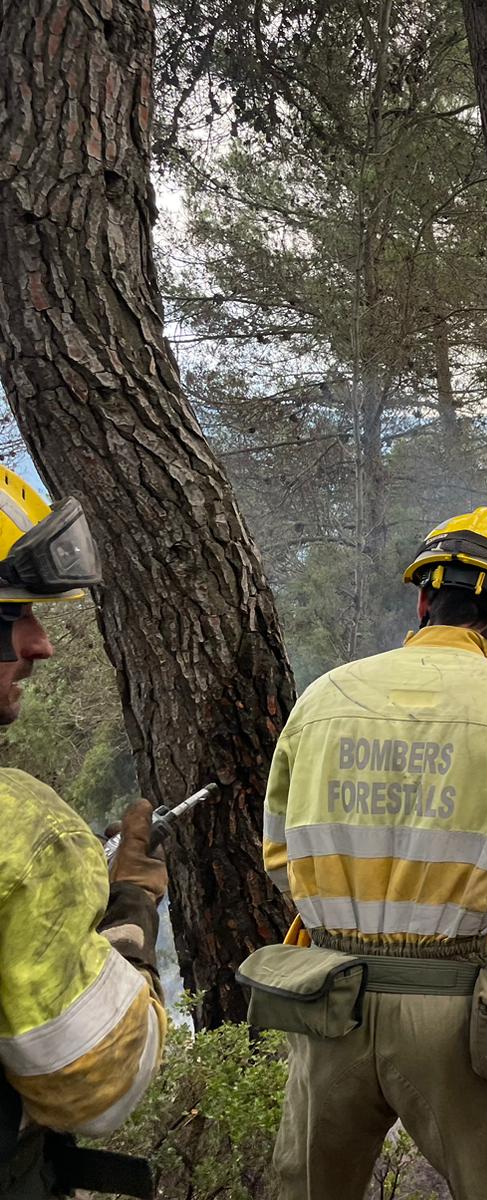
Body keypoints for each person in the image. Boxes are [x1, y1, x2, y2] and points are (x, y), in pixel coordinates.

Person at [264, 507, 487, 1200]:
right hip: (462, 1012)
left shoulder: (322, 700)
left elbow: (279, 856)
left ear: (422, 599)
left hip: (329, 1005)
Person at [0, 468, 168, 1194]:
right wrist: (131, 906)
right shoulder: (28, 833)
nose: (41, 646)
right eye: (12, 618)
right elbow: (98, 1079)